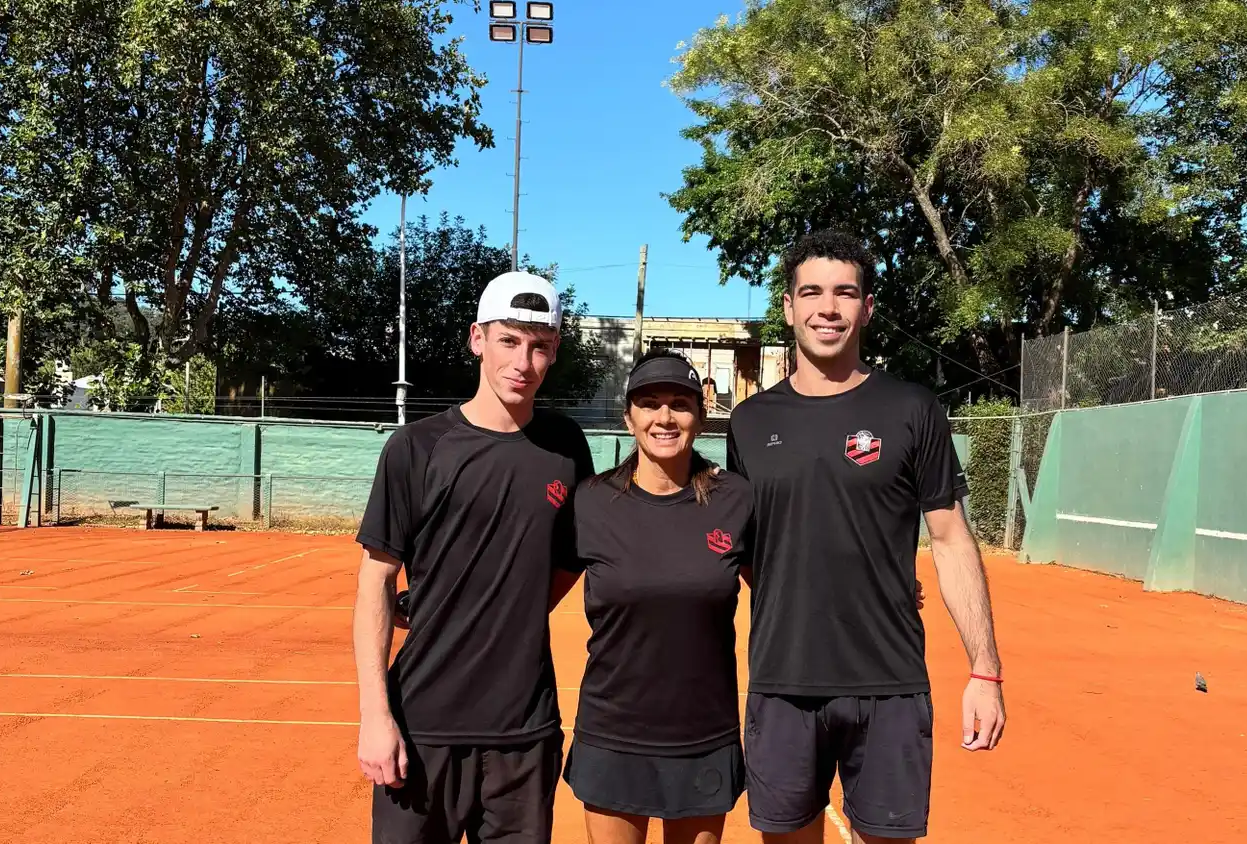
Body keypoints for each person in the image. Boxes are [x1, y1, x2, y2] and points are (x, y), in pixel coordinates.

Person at [725, 231, 1006, 843]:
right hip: (781, 684)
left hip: (890, 685)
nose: (828, 307)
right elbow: (749, 551)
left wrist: (985, 672)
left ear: (867, 307)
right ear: (788, 306)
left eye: (845, 293)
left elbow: (952, 538)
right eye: (813, 292)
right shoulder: (749, 423)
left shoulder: (912, 408)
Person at [352, 270, 595, 844]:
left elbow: (567, 562)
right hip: (423, 726)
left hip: (525, 732)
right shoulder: (417, 447)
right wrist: (375, 717)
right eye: (509, 340)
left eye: (539, 346)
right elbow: (376, 584)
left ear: (554, 351)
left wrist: (510, 606)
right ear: (477, 339)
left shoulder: (566, 447)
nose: (523, 362)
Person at [549, 349, 753, 844]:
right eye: (650, 403)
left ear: (701, 418)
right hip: (613, 734)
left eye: (680, 404)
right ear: (629, 417)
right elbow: (530, 597)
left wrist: (876, 589)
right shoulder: (590, 503)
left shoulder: (737, 499)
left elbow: (787, 591)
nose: (665, 417)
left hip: (703, 737)